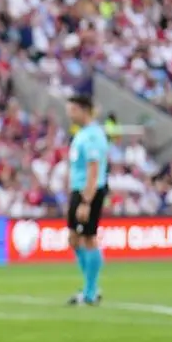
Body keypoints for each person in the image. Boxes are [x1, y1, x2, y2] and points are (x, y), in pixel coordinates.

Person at [65, 95, 109, 305]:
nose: (69, 114)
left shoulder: (92, 136)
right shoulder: (82, 134)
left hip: (89, 191)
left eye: (73, 110)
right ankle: (91, 286)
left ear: (84, 110)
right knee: (74, 239)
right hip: (78, 190)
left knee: (89, 238)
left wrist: (86, 201)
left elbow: (94, 169)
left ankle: (90, 292)